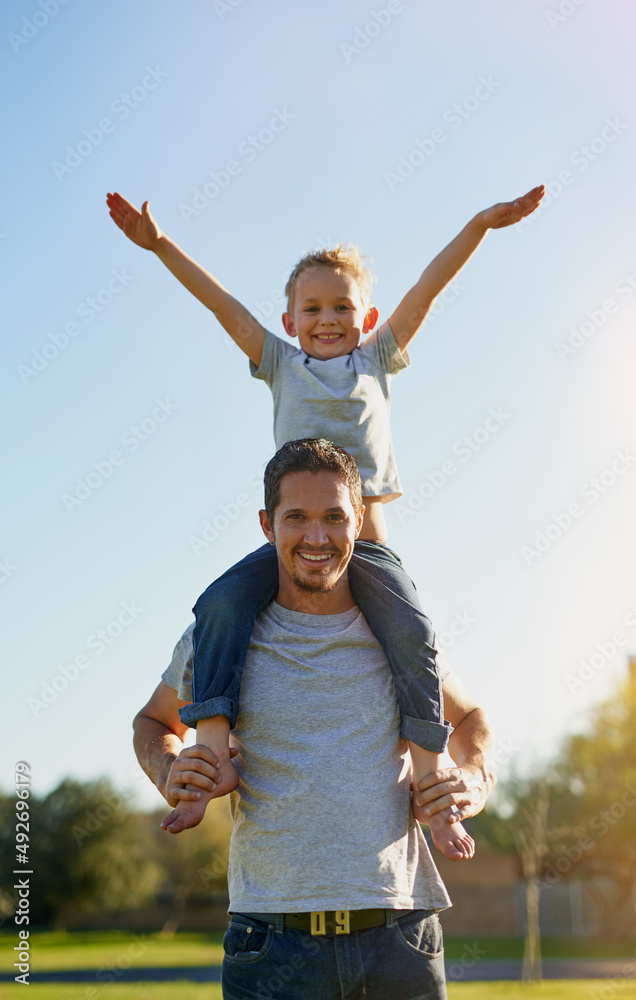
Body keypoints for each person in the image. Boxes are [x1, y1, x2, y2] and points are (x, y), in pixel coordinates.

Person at [109, 183, 542, 857]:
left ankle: (437, 793)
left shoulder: (378, 358)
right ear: (289, 320)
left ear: (366, 318)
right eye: (312, 308)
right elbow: (222, 306)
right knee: (219, 604)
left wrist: (480, 225)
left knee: (413, 634)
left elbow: (430, 285)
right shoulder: (281, 365)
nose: (328, 317)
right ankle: (210, 760)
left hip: (365, 546)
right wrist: (161, 244)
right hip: (293, 546)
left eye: (342, 305)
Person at [132, 438, 496, 1000]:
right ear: (266, 525)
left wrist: (470, 780)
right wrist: (168, 767)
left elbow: (470, 717)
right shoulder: (218, 638)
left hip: (399, 936)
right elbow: (153, 722)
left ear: (359, 525)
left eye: (334, 518)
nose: (317, 537)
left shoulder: (401, 637)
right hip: (271, 941)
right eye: (296, 517)